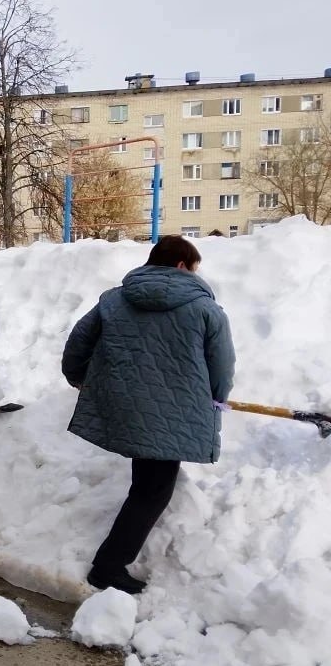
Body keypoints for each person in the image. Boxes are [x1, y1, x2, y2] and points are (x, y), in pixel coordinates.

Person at [61, 235, 236, 594]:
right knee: (152, 490)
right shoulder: (205, 309)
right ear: (182, 266)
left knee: (146, 481)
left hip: (125, 406)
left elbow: (78, 341)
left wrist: (77, 376)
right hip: (173, 413)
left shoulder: (114, 300)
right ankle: (108, 567)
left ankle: (109, 564)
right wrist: (218, 398)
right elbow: (222, 363)